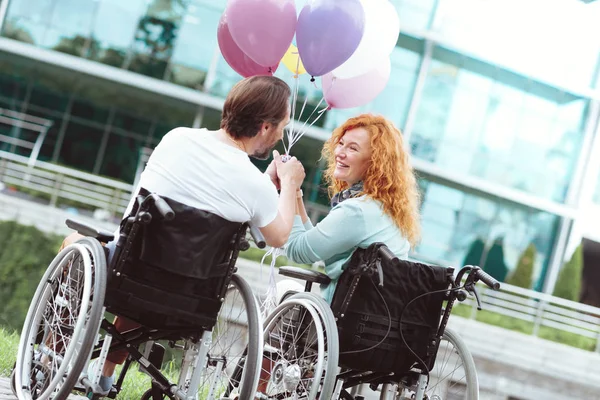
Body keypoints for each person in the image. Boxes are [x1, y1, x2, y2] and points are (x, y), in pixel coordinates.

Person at [58, 75, 305, 396]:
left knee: (81, 245)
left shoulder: (177, 139)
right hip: (194, 297)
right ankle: (104, 371)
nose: (281, 135)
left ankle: (54, 352)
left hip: (128, 274)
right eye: (282, 126)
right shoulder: (255, 186)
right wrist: (288, 184)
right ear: (264, 128)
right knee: (161, 266)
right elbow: (279, 235)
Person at [282, 113, 421, 303]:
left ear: (375, 163)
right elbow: (312, 242)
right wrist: (296, 191)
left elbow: (297, 251)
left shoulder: (357, 211)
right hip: (376, 315)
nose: (339, 153)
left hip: (341, 314)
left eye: (353, 148)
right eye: (341, 144)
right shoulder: (385, 209)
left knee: (283, 289)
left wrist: (288, 186)